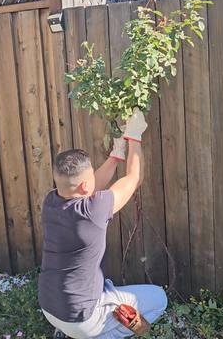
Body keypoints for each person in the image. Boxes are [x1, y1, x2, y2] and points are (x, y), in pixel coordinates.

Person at [38, 107, 168, 338]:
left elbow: (88, 186)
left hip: (49, 308)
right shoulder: (92, 212)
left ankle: (71, 330)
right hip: (82, 319)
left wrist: (116, 154)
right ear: (85, 187)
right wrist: (134, 136)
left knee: (106, 287)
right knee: (158, 298)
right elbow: (134, 178)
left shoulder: (51, 202)